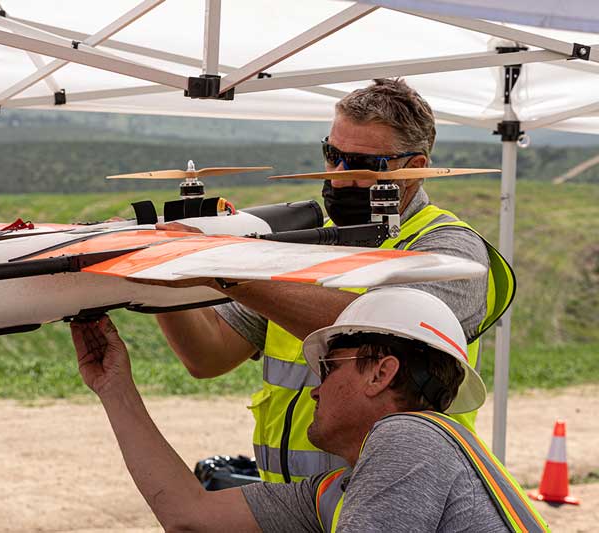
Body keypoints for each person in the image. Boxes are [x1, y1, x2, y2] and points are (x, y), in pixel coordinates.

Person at [154, 78, 514, 482]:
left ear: (414, 168)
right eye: (332, 155)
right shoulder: (307, 243)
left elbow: (378, 331)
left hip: (398, 498)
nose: (339, 177)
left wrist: (226, 272)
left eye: (360, 164)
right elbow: (209, 355)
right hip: (295, 504)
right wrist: (157, 274)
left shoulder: (448, 251)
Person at [69, 288, 548, 532]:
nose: (313, 390)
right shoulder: (341, 490)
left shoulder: (409, 438)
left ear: (381, 373)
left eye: (327, 367)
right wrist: (115, 389)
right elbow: (189, 515)